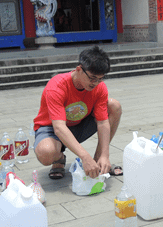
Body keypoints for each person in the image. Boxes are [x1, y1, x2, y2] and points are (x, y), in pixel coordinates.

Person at [33, 46, 122, 180]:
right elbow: (59, 128)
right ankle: (59, 158)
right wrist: (84, 156)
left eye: (100, 79)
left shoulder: (99, 87)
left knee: (114, 106)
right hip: (53, 128)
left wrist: (105, 155)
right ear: (79, 69)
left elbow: (103, 122)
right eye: (92, 78)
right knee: (46, 153)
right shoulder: (57, 86)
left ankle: (98, 162)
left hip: (80, 125)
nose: (95, 83)